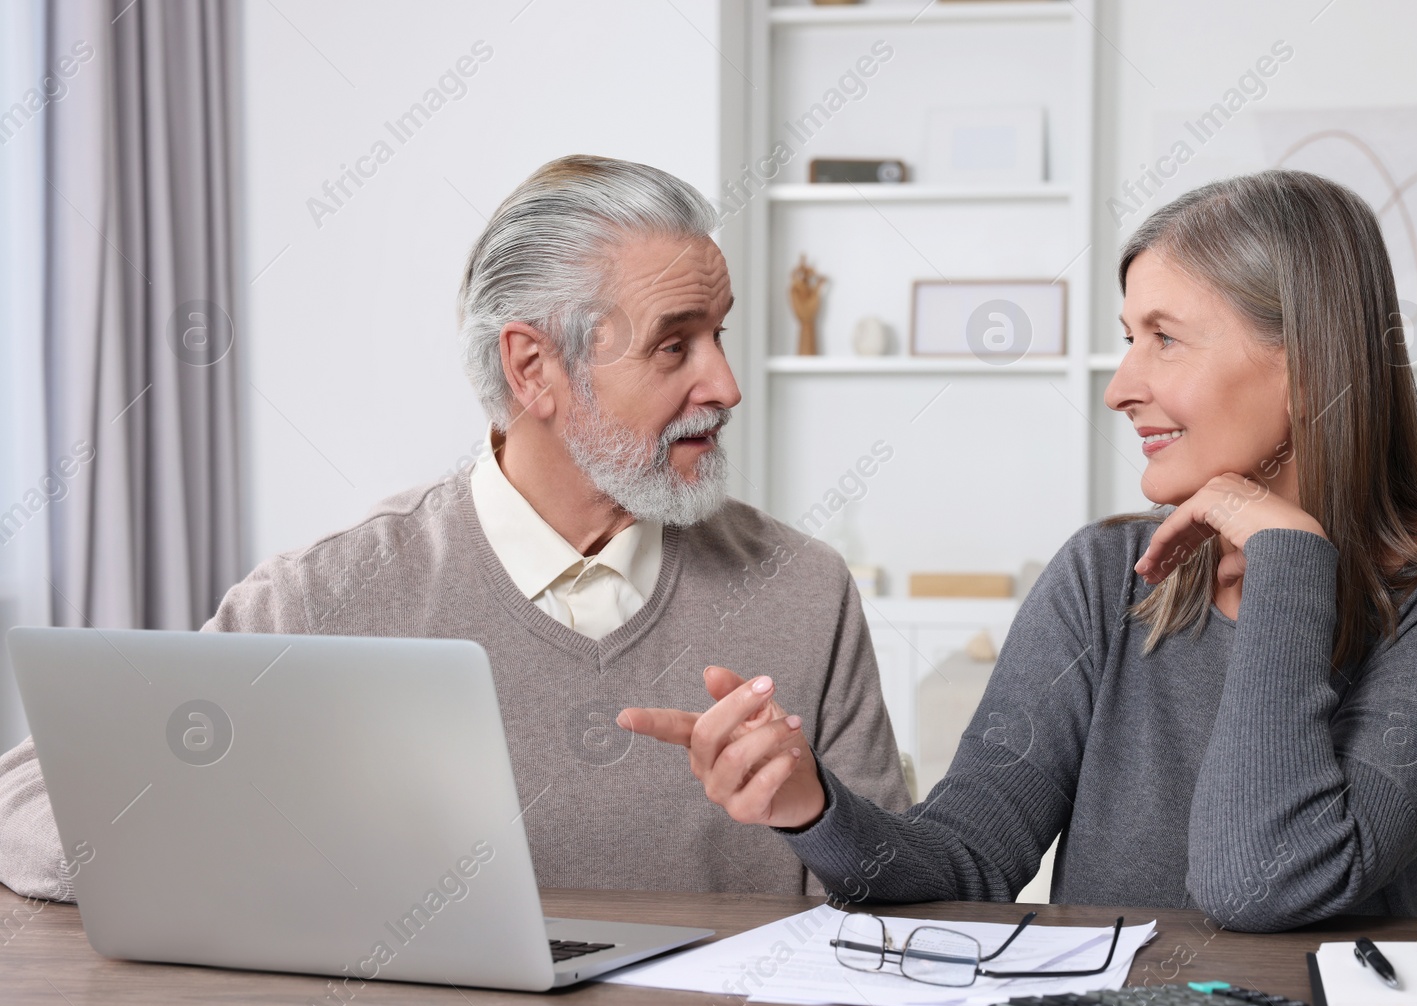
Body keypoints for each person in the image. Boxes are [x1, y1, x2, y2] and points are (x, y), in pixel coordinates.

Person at [620, 169, 1417, 933]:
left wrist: (1289, 563)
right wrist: (813, 805)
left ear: (1309, 363)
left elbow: (1262, 885)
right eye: (1126, 338)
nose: (1122, 385)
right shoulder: (1108, 576)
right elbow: (970, 858)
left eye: (1164, 340)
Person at [0, 155, 909, 902]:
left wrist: (815, 811)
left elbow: (908, 900)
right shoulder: (332, 595)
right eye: (676, 344)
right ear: (533, 368)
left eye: (719, 334)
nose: (725, 384)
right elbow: (28, 804)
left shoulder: (802, 588)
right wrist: (243, 820)